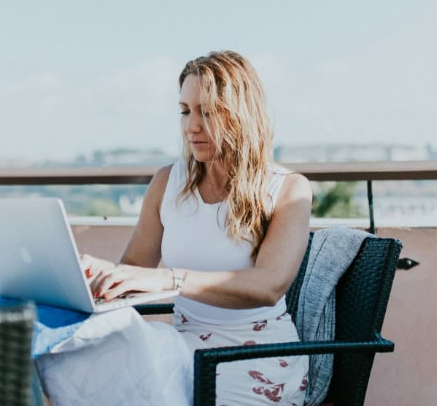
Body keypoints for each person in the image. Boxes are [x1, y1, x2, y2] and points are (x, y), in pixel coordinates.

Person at [37, 50, 312, 406]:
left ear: (242, 115)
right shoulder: (168, 182)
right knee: (79, 366)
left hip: (256, 358)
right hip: (183, 348)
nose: (191, 126)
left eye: (208, 112)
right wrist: (98, 278)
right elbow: (135, 270)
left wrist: (172, 280)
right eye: (185, 111)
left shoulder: (288, 188)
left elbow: (269, 286)